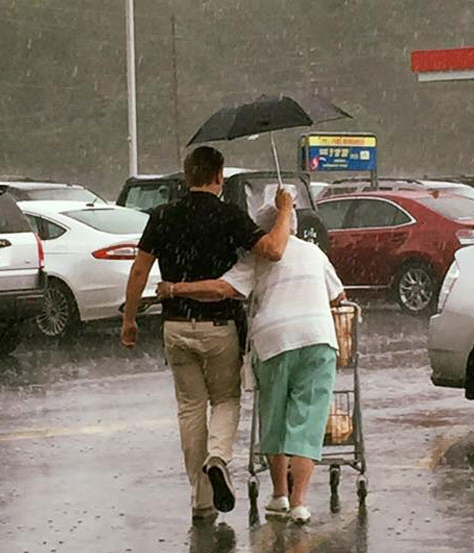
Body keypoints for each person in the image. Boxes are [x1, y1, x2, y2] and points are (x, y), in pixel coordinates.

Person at [121, 145, 294, 522]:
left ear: (187, 176)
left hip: (175, 326)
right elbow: (272, 250)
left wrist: (129, 320)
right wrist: (284, 212)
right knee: (226, 400)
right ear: (218, 177)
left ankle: (201, 501)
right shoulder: (228, 215)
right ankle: (218, 457)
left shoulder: (162, 215)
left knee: (190, 408)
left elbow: (139, 270)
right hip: (219, 327)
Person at [156, 202, 345, 524]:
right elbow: (338, 297)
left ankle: (279, 496)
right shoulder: (315, 254)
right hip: (318, 339)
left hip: (274, 341)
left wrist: (175, 288)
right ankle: (300, 502)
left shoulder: (257, 257)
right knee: (308, 421)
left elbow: (220, 290)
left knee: (273, 417)